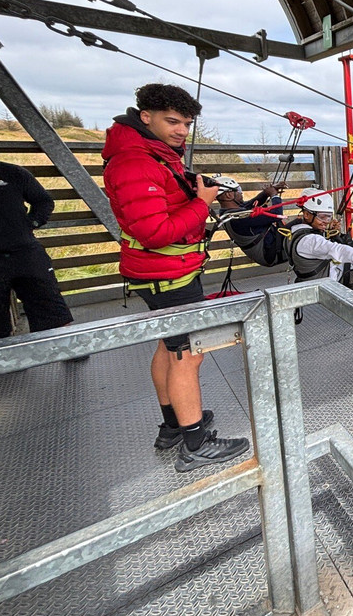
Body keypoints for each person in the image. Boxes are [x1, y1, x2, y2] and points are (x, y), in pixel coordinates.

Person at [102, 84, 249, 473]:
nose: (182, 130)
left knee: (169, 348)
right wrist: (201, 204)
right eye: (172, 121)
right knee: (189, 352)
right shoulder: (137, 162)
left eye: (186, 123)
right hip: (168, 275)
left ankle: (173, 426)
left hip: (158, 273)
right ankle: (196, 441)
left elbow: (159, 207)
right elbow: (156, 232)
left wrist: (192, 191)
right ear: (145, 116)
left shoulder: (148, 154)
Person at [0, 124, 81, 354]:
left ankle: (69, 351)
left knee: (49, 304)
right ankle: (3, 361)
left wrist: (31, 223)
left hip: (26, 252)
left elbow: (43, 201)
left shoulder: (11, 173)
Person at [281, 187, 353, 283]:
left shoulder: (294, 232)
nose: (326, 222)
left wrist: (328, 230)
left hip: (313, 276)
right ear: (306, 215)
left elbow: (316, 246)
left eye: (328, 217)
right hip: (331, 278)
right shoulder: (310, 240)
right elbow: (335, 249)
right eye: (322, 217)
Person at [214, 177, 288, 266]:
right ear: (228, 195)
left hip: (269, 248)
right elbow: (277, 214)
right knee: (301, 223)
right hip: (272, 253)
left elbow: (250, 204)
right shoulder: (237, 218)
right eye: (238, 190)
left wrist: (266, 192)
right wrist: (274, 195)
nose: (241, 193)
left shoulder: (226, 212)